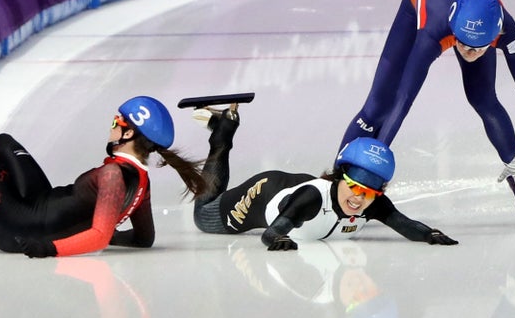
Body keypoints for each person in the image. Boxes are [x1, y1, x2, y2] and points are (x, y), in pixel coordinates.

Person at [337, 0, 515, 226]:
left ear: (495, 37)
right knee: (379, 106)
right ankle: (334, 183)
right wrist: (377, 155)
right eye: (462, 43)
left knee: (483, 99)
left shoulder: (505, 28)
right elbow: (405, 97)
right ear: (454, 29)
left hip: (470, 18)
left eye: (476, 48)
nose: (467, 52)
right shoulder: (435, 30)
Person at [0, 96, 207, 257]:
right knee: (1, 144)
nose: (111, 123)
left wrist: (51, 247)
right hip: (40, 202)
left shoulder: (113, 175)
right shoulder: (140, 178)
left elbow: (98, 236)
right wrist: (107, 229)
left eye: (117, 119)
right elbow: (143, 239)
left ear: (130, 132)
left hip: (16, 226)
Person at [190, 106, 457, 250]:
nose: (359, 198)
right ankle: (223, 132)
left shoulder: (371, 201)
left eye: (369, 193)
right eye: (354, 187)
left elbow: (404, 224)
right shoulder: (311, 200)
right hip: (267, 193)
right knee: (203, 215)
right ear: (340, 177)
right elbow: (272, 233)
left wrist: (430, 235)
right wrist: (279, 239)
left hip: (300, 186)